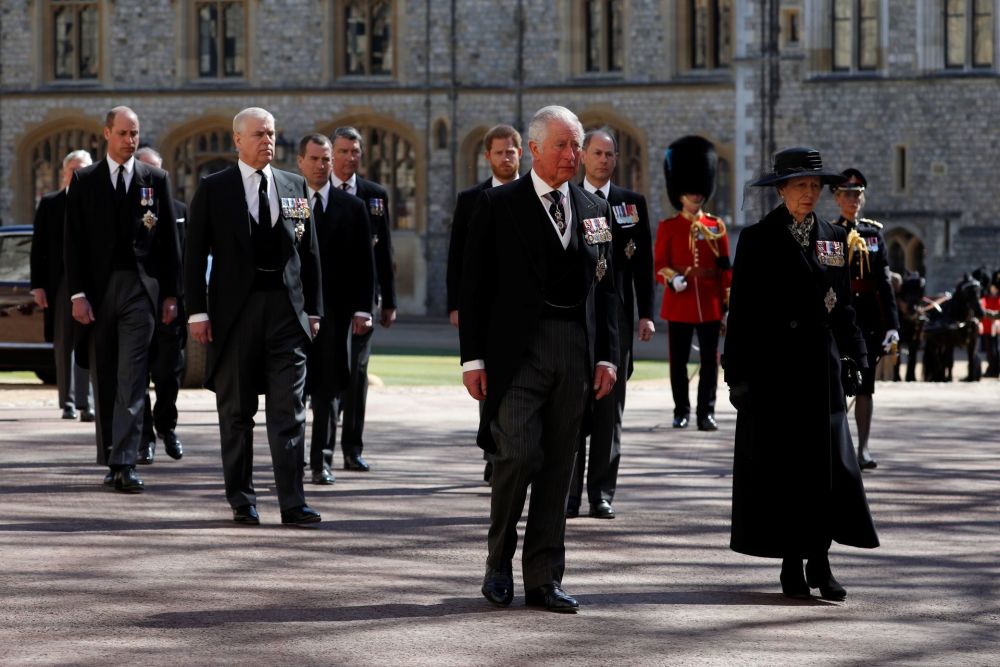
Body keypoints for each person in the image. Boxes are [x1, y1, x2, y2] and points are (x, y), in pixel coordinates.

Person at [460, 105, 619, 613]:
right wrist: (472, 360)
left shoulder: (594, 210)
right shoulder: (498, 204)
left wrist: (608, 357)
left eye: (577, 146)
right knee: (519, 454)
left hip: (575, 351)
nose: (574, 156)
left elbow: (607, 289)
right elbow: (475, 287)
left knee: (558, 467)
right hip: (517, 353)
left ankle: (545, 578)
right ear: (533, 150)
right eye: (563, 146)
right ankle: (498, 563)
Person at [724, 146, 879, 601]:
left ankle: (821, 560)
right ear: (782, 190)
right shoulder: (757, 238)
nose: (809, 194)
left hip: (821, 371)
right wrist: (738, 376)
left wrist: (857, 356)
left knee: (827, 472)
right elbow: (743, 313)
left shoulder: (832, 236)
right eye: (800, 186)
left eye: (814, 186)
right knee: (784, 473)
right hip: (776, 375)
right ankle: (792, 563)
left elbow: (843, 304)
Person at [185, 107, 323, 526]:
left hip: (286, 312)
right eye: (259, 134)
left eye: (272, 134)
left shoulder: (293, 184)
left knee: (290, 410)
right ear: (237, 140)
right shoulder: (214, 188)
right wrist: (196, 312)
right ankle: (242, 500)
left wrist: (313, 310)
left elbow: (310, 253)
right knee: (237, 412)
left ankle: (292, 502)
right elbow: (193, 257)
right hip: (235, 315)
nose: (268, 141)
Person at [64, 106, 181, 493]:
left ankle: (126, 461)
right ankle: (110, 455)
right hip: (98, 293)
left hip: (139, 290)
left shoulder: (155, 178)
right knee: (107, 376)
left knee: (133, 377)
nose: (130, 140)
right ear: (106, 134)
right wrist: (78, 295)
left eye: (135, 133)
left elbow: (168, 244)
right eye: (123, 133)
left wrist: (170, 294)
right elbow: (74, 244)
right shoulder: (84, 180)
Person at [568, 127, 655, 520]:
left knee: (608, 410)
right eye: (598, 153)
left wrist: (646, 314)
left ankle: (601, 492)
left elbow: (644, 266)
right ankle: (568, 494)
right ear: (583, 156)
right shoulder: (567, 199)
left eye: (610, 154)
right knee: (570, 410)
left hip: (616, 322)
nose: (604, 160)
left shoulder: (630, 204)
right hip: (575, 317)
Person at [446, 123, 523, 484]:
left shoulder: (535, 196)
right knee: (489, 386)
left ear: (520, 153)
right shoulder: (471, 200)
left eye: (511, 151)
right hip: (487, 311)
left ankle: (516, 453)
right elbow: (458, 257)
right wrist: (456, 304)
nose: (505, 157)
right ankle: (494, 453)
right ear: (487, 157)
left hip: (526, 309)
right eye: (499, 152)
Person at [297, 133, 376, 485]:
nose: (321, 166)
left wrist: (363, 308)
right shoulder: (291, 202)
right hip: (296, 312)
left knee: (328, 390)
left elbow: (365, 263)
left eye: (326, 160)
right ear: (301, 162)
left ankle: (322, 460)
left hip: (336, 313)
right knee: (295, 389)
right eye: (314, 159)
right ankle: (292, 456)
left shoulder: (352, 207)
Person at [330, 126, 397, 472]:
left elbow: (384, 250)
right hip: (326, 300)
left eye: (355, 151)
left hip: (362, 300)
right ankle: (321, 452)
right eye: (343, 151)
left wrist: (389, 301)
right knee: (328, 374)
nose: (350, 158)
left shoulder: (374, 195)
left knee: (358, 375)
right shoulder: (317, 191)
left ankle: (351, 448)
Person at [654, 136, 731, 431]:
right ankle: (681, 410)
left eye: (699, 191)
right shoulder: (669, 227)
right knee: (678, 362)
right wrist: (674, 280)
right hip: (680, 302)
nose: (695, 196)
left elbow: (725, 268)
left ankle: (706, 413)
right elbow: (659, 265)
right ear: (679, 193)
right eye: (689, 191)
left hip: (710, 303)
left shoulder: (717, 226)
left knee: (711, 363)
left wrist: (726, 305)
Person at [831, 169, 899, 470]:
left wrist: (893, 325)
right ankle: (836, 447)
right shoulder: (830, 233)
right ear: (836, 198)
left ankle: (863, 448)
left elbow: (884, 283)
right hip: (839, 318)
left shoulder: (873, 234)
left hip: (868, 320)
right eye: (847, 194)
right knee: (835, 384)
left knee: (866, 386)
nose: (853, 200)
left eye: (857, 194)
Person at [30, 149, 95, 422]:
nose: (78, 174)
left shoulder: (100, 201)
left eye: (84, 169)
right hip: (62, 284)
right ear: (65, 173)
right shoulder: (51, 203)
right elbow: (39, 248)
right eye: (74, 170)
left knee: (90, 343)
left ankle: (87, 402)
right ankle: (68, 402)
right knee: (64, 343)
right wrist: (38, 285)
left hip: (93, 282)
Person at [134, 146, 186, 464]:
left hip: (169, 304)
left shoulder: (179, 209)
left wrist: (179, 298)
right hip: (138, 302)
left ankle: (167, 425)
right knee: (137, 373)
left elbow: (186, 257)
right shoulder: (126, 210)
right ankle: (145, 436)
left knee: (168, 373)